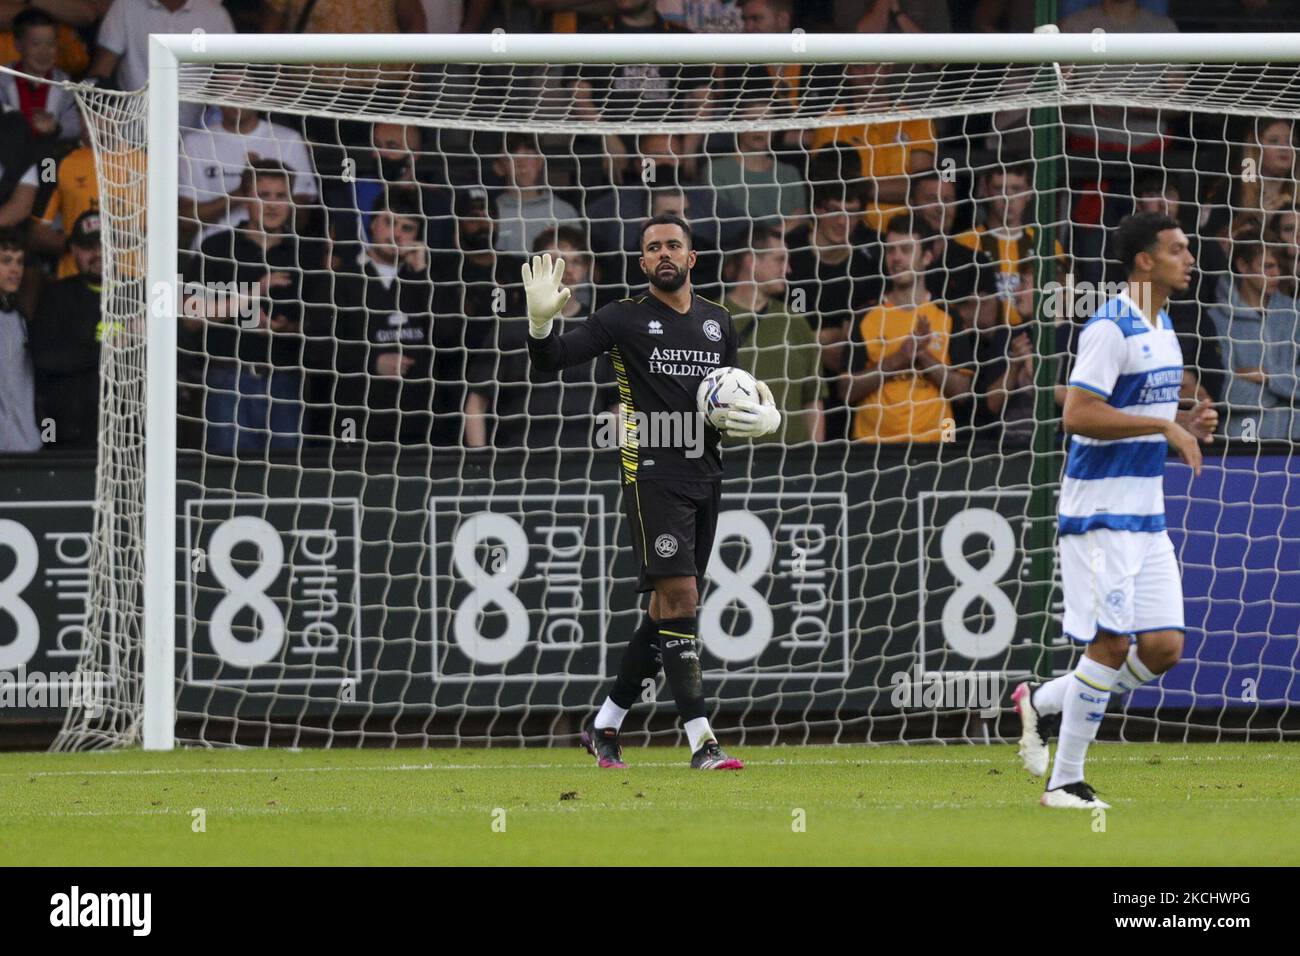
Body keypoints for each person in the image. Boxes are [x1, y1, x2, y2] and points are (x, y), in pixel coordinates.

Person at [524, 213, 781, 770]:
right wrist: (541, 325)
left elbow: (729, 402)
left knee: (666, 609)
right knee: (683, 598)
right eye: (652, 248)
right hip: (651, 474)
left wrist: (758, 419)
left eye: (673, 245)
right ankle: (702, 741)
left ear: (691, 258)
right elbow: (552, 362)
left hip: (706, 476)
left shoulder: (719, 322)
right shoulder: (622, 318)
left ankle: (605, 725)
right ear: (643, 263)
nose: (663, 253)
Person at [1013, 212, 1217, 809]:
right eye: (1178, 249)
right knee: (1109, 642)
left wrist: (1182, 425)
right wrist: (1164, 425)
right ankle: (1064, 783)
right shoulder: (1110, 327)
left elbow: (1139, 421)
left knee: (1163, 649)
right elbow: (1077, 414)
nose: (1190, 258)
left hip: (1144, 514)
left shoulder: (1166, 325)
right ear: (1145, 260)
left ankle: (1047, 702)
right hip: (1099, 514)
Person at [186, 160, 324, 455]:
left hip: (287, 381)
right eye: (263, 195)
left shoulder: (308, 254)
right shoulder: (217, 248)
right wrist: (253, 292)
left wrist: (285, 328)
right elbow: (190, 318)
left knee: (290, 483)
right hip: (226, 382)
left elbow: (323, 326)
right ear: (246, 200)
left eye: (280, 195)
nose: (273, 205)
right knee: (226, 484)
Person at [466, 225, 616, 450]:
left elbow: (617, 403)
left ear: (586, 269)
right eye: (556, 261)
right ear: (537, 267)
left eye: (575, 262)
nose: (566, 269)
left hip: (586, 459)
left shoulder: (599, 327)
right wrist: (478, 468)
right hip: (519, 458)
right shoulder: (512, 328)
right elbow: (476, 404)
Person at [842, 215, 975, 443]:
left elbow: (963, 392)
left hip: (936, 443)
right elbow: (845, 390)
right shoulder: (865, 315)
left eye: (906, 250)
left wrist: (923, 355)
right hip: (872, 447)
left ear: (927, 256)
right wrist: (899, 358)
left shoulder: (948, 315)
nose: (897, 258)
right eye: (891, 250)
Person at [784, 171, 883, 442]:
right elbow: (779, 332)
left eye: (852, 213)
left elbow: (854, 348)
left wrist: (818, 340)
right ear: (817, 209)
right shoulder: (789, 254)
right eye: (835, 211)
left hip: (847, 391)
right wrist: (822, 340)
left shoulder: (869, 265)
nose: (843, 222)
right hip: (792, 384)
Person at [721, 225, 824, 444]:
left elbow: (813, 399)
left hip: (794, 462)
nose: (788, 270)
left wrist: (817, 458)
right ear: (751, 260)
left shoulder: (795, 321)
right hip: (730, 461)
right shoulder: (711, 319)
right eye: (779, 260)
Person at [1208, 233, 1300, 441]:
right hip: (1241, 436)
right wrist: (1287, 395)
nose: (1276, 274)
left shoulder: (1296, 315)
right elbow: (1222, 388)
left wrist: (1268, 377)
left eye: (1279, 267)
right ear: (1242, 265)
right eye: (1267, 267)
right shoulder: (1215, 318)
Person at [29, 210, 103, 449]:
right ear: (73, 251)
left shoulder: (138, 294)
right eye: (88, 247)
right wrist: (110, 348)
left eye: (104, 245)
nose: (98, 254)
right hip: (70, 435)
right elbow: (45, 358)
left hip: (128, 439)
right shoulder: (55, 295)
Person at [0, 8, 81, 145]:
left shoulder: (65, 84)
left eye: (51, 44)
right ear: (18, 45)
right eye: (36, 44)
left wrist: (55, 127)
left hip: (49, 159)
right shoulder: (3, 79)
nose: (44, 52)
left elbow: (76, 125)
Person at [492, 133, 581, 255]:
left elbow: (579, 260)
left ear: (540, 162)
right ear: (498, 167)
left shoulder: (563, 211)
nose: (521, 164)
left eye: (528, 155)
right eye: (512, 157)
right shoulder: (490, 213)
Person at [0, 227, 39, 452]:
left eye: (19, 262)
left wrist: (44, 435)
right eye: (6, 261)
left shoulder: (19, 318)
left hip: (26, 445)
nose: (15, 269)